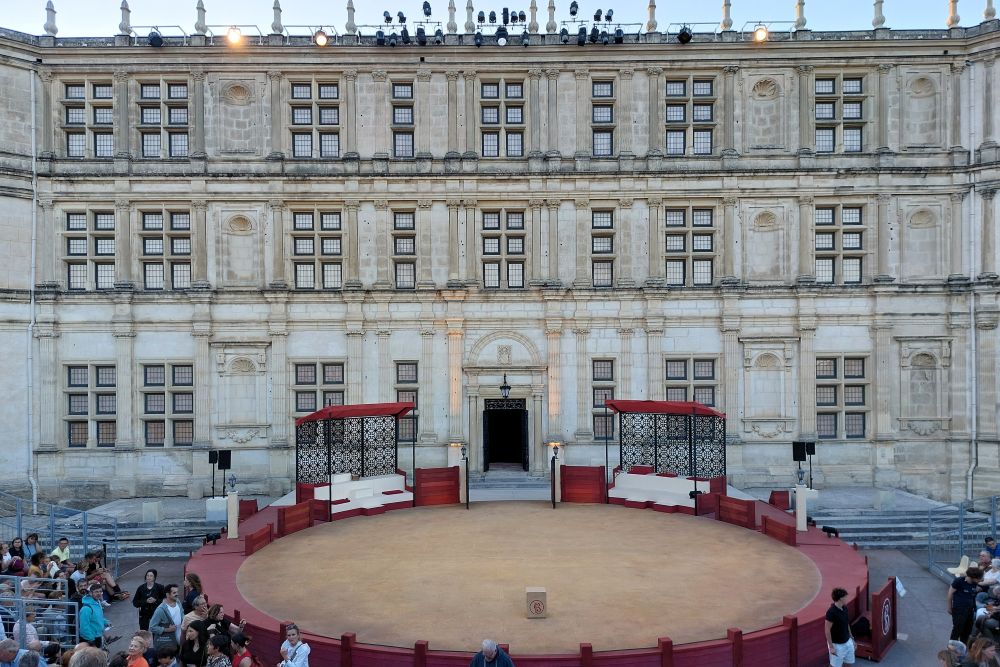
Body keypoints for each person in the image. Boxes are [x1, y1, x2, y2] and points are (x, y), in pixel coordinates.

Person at [951, 567, 985, 644]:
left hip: (970, 610)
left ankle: (962, 648)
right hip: (959, 609)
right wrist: (949, 608)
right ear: (973, 577)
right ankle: (951, 649)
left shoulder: (974, 583)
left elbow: (973, 593)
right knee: (957, 630)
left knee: (967, 631)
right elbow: (950, 594)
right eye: (979, 578)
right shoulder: (959, 581)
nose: (981, 579)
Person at [149, 585, 183, 650]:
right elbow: (152, 627)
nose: (177, 594)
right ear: (167, 594)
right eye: (174, 593)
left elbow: (181, 614)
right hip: (170, 643)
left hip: (181, 639)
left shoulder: (178, 601)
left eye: (177, 592)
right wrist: (167, 629)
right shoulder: (160, 610)